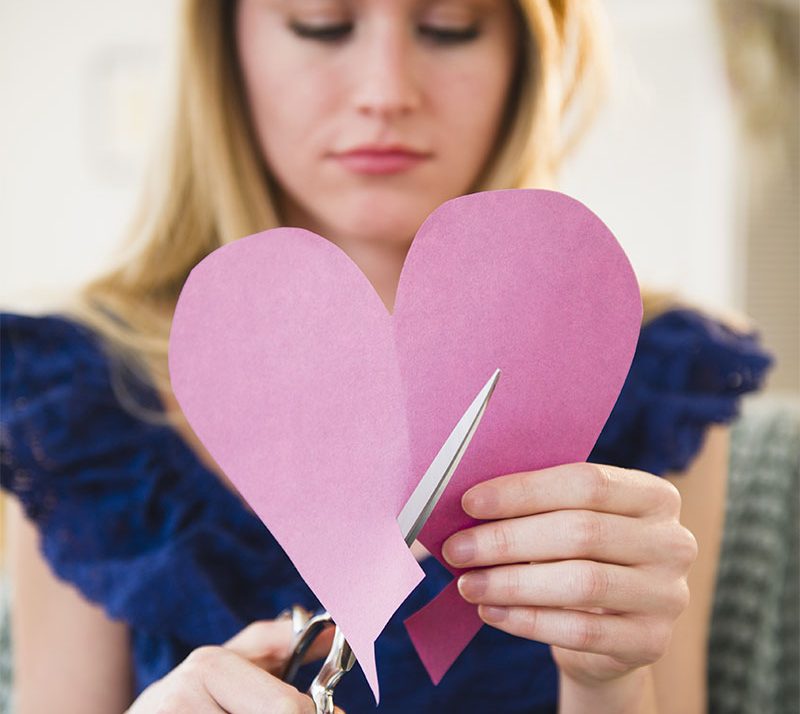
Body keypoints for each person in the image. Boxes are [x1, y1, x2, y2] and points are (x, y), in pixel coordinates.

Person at [0, 1, 773, 712]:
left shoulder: (652, 374)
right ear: (225, 45)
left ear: (528, 56)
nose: (385, 90)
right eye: (320, 23)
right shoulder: (70, 402)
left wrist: (608, 679)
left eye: (448, 25)